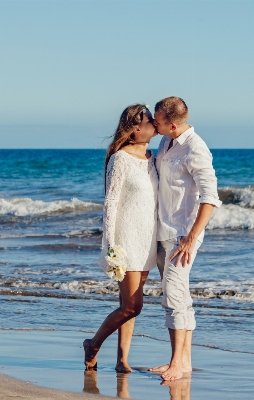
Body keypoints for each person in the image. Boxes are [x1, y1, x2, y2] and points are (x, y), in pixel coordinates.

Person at [148, 96, 222, 381]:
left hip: (182, 235)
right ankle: (182, 361)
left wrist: (192, 238)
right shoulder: (165, 142)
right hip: (162, 230)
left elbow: (210, 197)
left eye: (158, 120)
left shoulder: (195, 148)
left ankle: (177, 363)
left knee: (174, 296)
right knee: (177, 297)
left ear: (173, 125)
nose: (154, 124)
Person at [83, 104, 158, 372]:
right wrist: (111, 245)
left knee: (127, 305)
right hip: (126, 239)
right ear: (136, 128)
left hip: (148, 238)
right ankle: (92, 344)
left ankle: (121, 360)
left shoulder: (153, 158)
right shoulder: (120, 159)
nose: (156, 123)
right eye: (151, 120)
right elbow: (111, 203)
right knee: (133, 306)